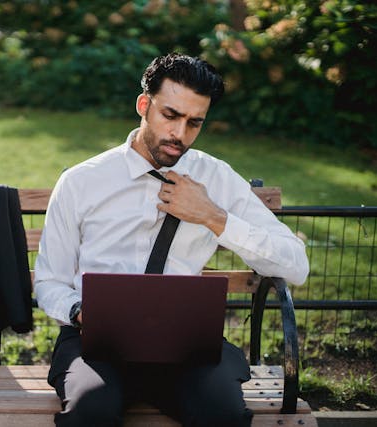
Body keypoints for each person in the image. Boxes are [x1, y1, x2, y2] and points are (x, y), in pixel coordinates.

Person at [33, 52, 310, 427]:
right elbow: (50, 280)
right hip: (96, 345)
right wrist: (80, 312)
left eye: (195, 122)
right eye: (171, 116)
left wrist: (212, 216)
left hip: (186, 350)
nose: (180, 134)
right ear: (144, 105)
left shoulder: (216, 178)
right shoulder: (82, 182)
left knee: (223, 414)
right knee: (90, 413)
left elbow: (295, 264)